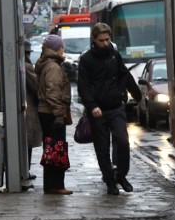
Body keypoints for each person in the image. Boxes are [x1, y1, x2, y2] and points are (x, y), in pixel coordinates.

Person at [77, 22, 141, 195]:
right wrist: (92, 106)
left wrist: (134, 94)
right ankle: (109, 181)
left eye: (107, 39)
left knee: (122, 141)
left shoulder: (114, 55)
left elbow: (124, 74)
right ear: (94, 40)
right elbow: (82, 86)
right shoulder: (86, 59)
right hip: (98, 111)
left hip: (116, 107)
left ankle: (121, 174)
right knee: (102, 148)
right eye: (101, 40)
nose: (105, 43)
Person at [35, 34, 72, 195]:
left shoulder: (47, 64)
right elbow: (53, 92)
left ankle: (51, 185)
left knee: (50, 148)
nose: (63, 50)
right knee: (57, 149)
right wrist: (58, 114)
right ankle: (55, 185)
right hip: (52, 114)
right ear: (57, 49)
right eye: (62, 47)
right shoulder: (54, 67)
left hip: (46, 112)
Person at [24, 40, 42, 181]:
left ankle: (25, 170)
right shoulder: (27, 67)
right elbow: (36, 88)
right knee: (27, 143)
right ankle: (26, 170)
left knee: (25, 143)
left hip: (24, 108)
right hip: (28, 109)